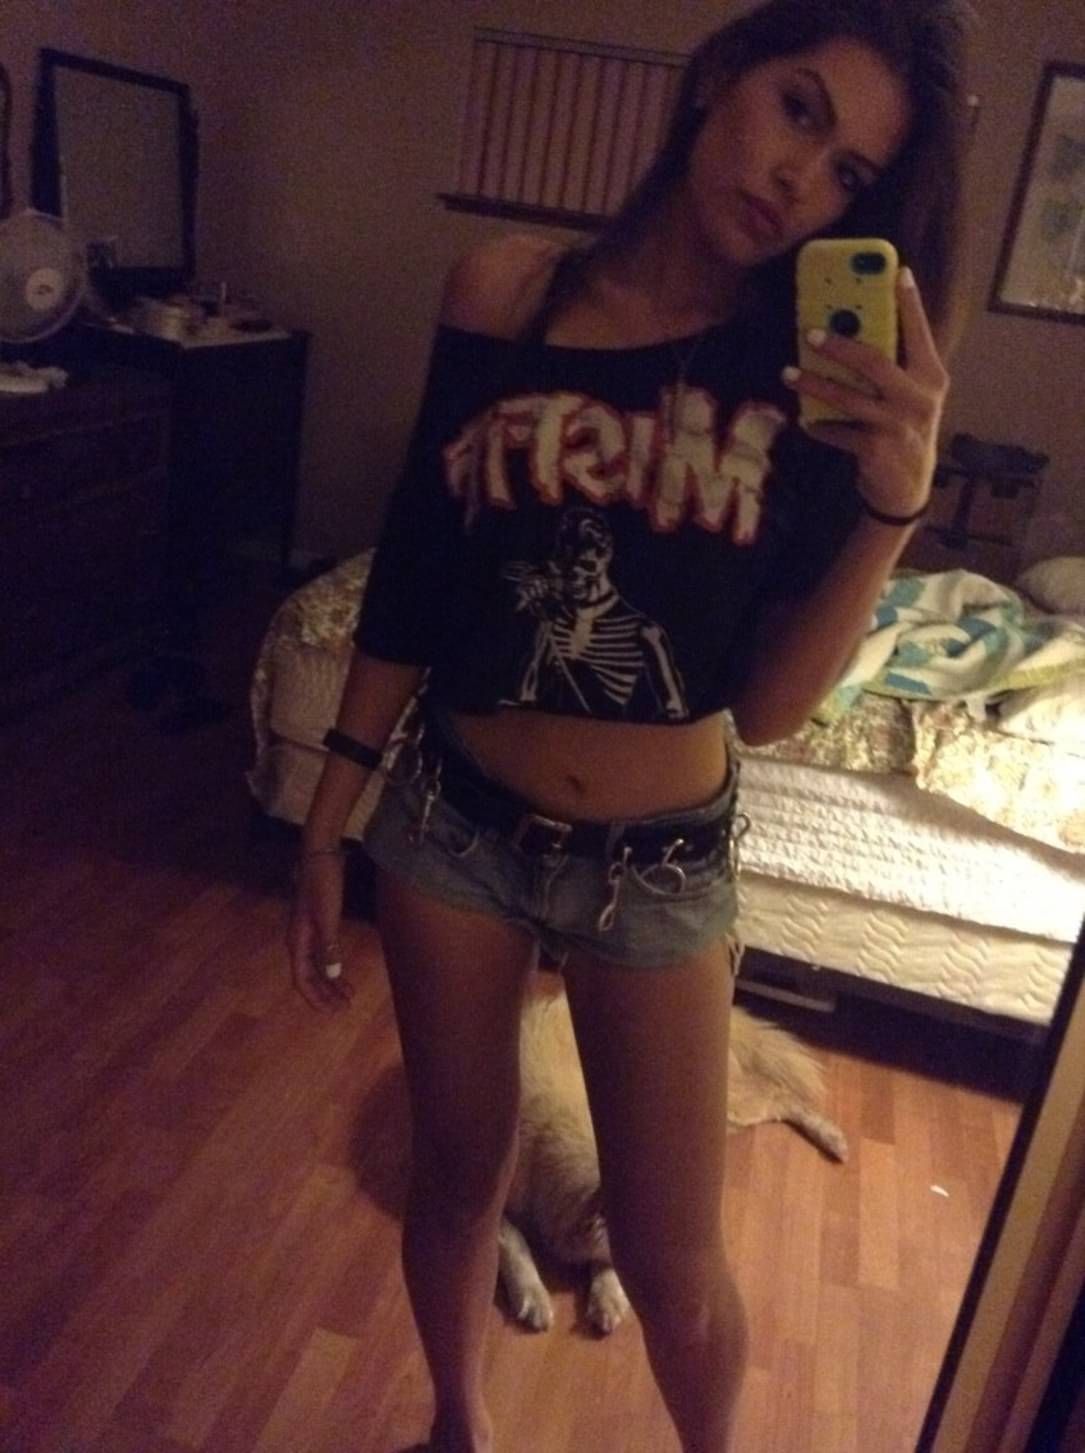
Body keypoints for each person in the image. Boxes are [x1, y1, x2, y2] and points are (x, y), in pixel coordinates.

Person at [288, 1, 971, 1447]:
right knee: (456, 1179)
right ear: (722, 71)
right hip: (452, 826)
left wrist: (892, 505)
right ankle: (457, 1427)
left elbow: (767, 709)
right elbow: (418, 559)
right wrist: (330, 808)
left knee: (672, 1264)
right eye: (799, 108)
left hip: (658, 865)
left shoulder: (806, 383)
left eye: (850, 172)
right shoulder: (502, 293)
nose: (801, 177)